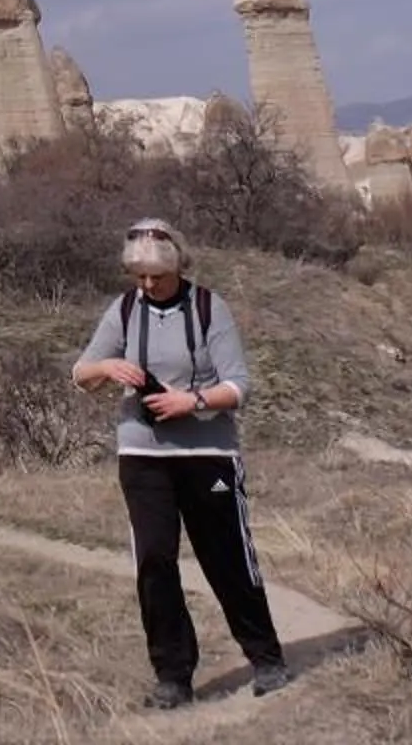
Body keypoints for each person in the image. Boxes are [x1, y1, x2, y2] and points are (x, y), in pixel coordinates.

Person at [70, 217, 291, 708]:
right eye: (140, 277)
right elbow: (80, 373)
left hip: (208, 453)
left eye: (158, 277)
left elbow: (239, 385)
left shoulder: (210, 307)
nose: (148, 286)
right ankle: (172, 676)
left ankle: (266, 658)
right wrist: (107, 367)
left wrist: (190, 401)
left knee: (227, 557)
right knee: (154, 561)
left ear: (178, 267)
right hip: (142, 455)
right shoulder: (124, 309)